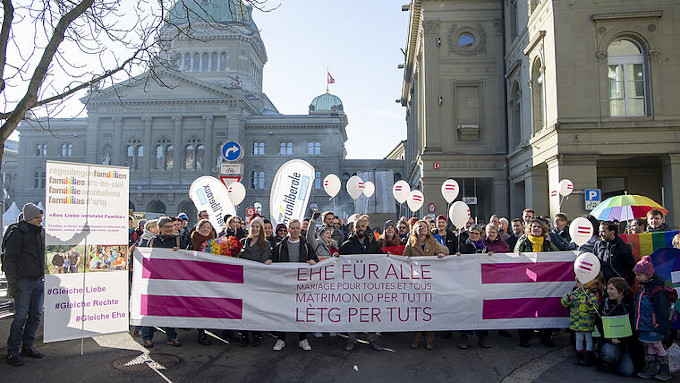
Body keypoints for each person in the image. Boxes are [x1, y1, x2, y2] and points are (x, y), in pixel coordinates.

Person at [4, 203, 46, 366]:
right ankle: (12, 352)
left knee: (35, 316)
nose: (40, 221)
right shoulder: (17, 234)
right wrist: (12, 284)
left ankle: (27, 347)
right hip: (23, 283)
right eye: (38, 218)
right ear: (29, 218)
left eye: (41, 218)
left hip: (38, 281)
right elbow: (9, 260)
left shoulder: (41, 232)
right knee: (20, 317)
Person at [271, 219, 318, 351]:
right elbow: (273, 260)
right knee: (283, 312)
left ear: (300, 230)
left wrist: (313, 262)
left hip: (301, 285)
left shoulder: (306, 246)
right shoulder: (280, 246)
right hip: (285, 284)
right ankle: (281, 338)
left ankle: (303, 338)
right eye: (293, 228)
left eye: (297, 228)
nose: (295, 230)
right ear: (288, 230)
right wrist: (269, 261)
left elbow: (316, 260)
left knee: (301, 311)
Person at [140, 216, 187, 348]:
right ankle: (146, 337)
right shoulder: (151, 241)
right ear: (160, 228)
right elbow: (143, 256)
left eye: (172, 226)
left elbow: (187, 258)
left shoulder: (178, 240)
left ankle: (171, 336)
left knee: (169, 308)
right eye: (167, 227)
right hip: (154, 279)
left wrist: (180, 253)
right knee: (150, 308)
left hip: (171, 280)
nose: (170, 229)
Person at [340, 215, 384, 351]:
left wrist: (387, 256)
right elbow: (339, 262)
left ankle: (372, 339)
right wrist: (337, 257)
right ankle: (352, 340)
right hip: (353, 286)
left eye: (362, 227)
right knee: (353, 313)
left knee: (371, 313)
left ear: (366, 228)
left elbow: (381, 259)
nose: (360, 229)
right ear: (354, 228)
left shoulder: (373, 243)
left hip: (370, 286)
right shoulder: (346, 245)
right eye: (357, 227)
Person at [514, 218, 559, 348]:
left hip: (544, 282)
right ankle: (524, 338)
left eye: (539, 227)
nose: (536, 229)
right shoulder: (523, 241)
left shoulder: (547, 243)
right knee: (526, 310)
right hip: (527, 282)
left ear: (543, 229)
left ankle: (546, 337)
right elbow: (516, 252)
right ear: (529, 228)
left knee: (545, 309)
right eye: (533, 227)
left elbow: (560, 255)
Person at [403, 220, 447, 350]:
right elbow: (404, 256)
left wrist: (441, 254)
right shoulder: (411, 242)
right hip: (416, 281)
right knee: (418, 310)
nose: (421, 229)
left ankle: (430, 339)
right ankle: (416, 339)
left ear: (428, 229)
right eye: (419, 227)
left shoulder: (433, 242)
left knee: (429, 310)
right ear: (415, 229)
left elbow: (446, 251)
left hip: (430, 281)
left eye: (423, 227)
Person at [632, 256, 672, 381]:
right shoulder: (642, 287)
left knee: (657, 346)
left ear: (648, 275)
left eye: (639, 275)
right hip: (645, 324)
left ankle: (665, 369)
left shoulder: (656, 290)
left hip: (654, 326)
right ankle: (652, 367)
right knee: (649, 346)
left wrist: (662, 328)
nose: (637, 278)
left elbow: (662, 310)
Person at [456, 224, 491, 349]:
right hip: (467, 283)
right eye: (471, 233)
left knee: (481, 310)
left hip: (481, 283)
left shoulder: (486, 249)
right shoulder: (463, 247)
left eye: (476, 234)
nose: (474, 235)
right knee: (466, 310)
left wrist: (491, 257)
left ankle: (482, 337)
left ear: (481, 235)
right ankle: (464, 337)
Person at [239, 217, 271, 347]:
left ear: (261, 229)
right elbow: (240, 257)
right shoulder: (245, 241)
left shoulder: (266, 244)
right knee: (244, 308)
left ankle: (256, 335)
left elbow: (263, 260)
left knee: (257, 307)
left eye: (258, 226)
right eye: (253, 226)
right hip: (244, 279)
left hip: (258, 280)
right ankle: (245, 335)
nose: (255, 228)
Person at [598, 277, 639, 377]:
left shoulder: (631, 304)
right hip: (610, 341)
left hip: (627, 343)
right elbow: (599, 323)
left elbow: (634, 326)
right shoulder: (605, 303)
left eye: (612, 289)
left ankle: (621, 362)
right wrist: (609, 338)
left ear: (621, 291)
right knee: (609, 354)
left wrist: (623, 339)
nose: (609, 291)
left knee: (627, 371)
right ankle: (610, 362)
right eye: (608, 288)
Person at [561, 278, 599, 366]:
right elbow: (563, 302)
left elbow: (595, 310)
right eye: (578, 282)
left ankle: (588, 356)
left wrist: (590, 305)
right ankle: (579, 355)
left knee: (588, 340)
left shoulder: (590, 296)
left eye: (582, 282)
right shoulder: (573, 294)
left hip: (587, 324)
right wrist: (568, 299)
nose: (579, 284)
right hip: (576, 323)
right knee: (579, 339)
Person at [594, 221, 636, 287]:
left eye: (603, 231)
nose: (600, 234)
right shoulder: (598, 245)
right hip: (603, 285)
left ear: (612, 232)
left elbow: (632, 268)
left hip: (617, 286)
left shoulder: (622, 247)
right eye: (600, 231)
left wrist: (627, 285)